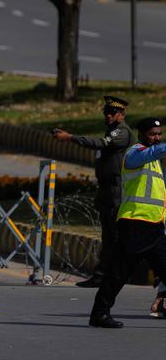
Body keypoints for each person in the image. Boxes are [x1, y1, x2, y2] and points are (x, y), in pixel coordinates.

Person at [89, 117, 166, 328]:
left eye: (159, 134)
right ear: (141, 134)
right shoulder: (134, 153)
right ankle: (99, 314)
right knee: (118, 273)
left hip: (155, 227)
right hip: (135, 224)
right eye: (152, 134)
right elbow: (153, 152)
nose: (157, 138)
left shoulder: (156, 162)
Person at [53, 96, 132, 288]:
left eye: (112, 113)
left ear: (121, 115)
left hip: (116, 189)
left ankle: (113, 274)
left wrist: (69, 137)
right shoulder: (112, 130)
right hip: (107, 189)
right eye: (106, 113)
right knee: (108, 236)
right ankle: (101, 275)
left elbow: (100, 143)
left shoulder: (121, 132)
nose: (108, 116)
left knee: (115, 235)